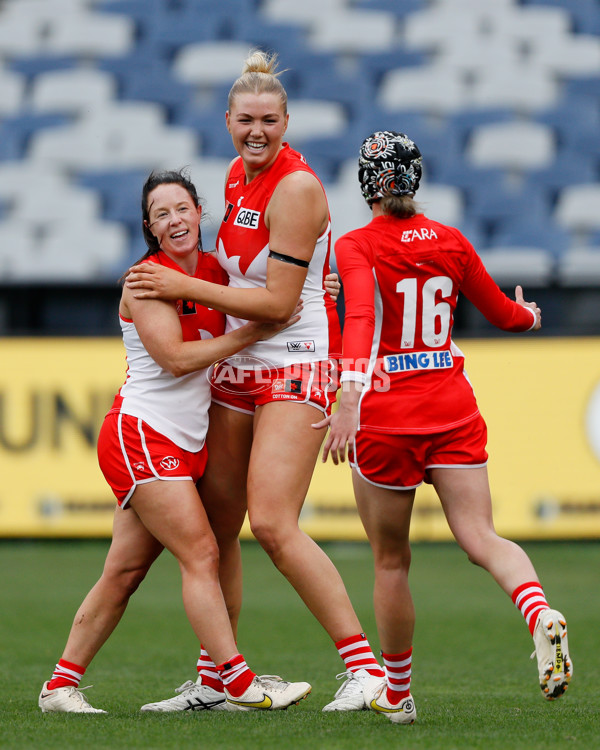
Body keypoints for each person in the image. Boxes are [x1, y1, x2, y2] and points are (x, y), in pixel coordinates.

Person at [125, 50, 386, 713]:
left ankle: (365, 670)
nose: (258, 132)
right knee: (217, 529)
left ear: (287, 119)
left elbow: (275, 304)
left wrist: (176, 283)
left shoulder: (295, 187)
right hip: (237, 368)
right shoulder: (237, 179)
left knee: (272, 522)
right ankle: (216, 682)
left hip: (293, 362)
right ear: (228, 120)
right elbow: (243, 280)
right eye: (246, 121)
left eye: (270, 121)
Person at [313, 130, 573, 725]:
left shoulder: (355, 246)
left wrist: (347, 395)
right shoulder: (451, 241)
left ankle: (399, 695)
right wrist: (531, 313)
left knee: (390, 561)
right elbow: (504, 315)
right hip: (452, 408)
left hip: (386, 417)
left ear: (365, 184)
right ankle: (539, 615)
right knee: (481, 536)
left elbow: (356, 326)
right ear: (416, 180)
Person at [38, 168, 313, 714]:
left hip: (182, 441)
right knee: (203, 551)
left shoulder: (211, 271)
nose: (175, 220)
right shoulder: (145, 279)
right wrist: (250, 333)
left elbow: (275, 292)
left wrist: (320, 285)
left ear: (198, 212)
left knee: (124, 571)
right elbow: (176, 359)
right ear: (150, 227)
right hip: (142, 433)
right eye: (161, 214)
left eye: (182, 208)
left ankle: (59, 687)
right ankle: (235, 683)